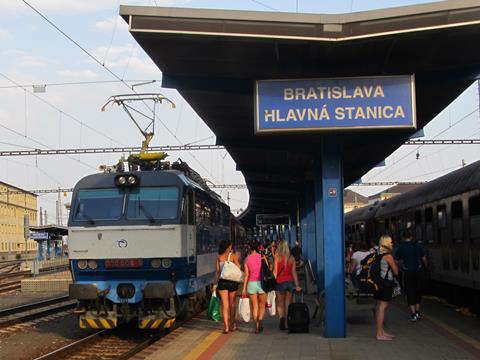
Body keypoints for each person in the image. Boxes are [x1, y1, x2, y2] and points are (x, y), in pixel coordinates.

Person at [395, 229, 428, 321]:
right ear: (411, 237)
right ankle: (418, 312)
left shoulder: (401, 248)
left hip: (407, 273)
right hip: (418, 272)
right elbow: (424, 259)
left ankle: (413, 314)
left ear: (403, 238)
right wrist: (425, 268)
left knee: (410, 292)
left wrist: (399, 269)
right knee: (418, 291)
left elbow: (396, 261)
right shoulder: (418, 246)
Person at [214, 240, 241, 334]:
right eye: (230, 247)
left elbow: (217, 272)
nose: (231, 248)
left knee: (224, 305)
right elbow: (239, 267)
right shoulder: (232, 256)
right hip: (233, 282)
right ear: (228, 247)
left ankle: (226, 327)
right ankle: (232, 325)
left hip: (222, 282)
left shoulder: (219, 257)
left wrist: (214, 285)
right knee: (232, 304)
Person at [375, 235, 399, 341]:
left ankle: (381, 332)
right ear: (387, 243)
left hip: (380, 284)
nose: (392, 243)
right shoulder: (388, 256)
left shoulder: (378, 254)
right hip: (386, 284)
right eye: (391, 242)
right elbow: (396, 271)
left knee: (380, 307)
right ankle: (379, 334)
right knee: (382, 308)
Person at [273, 240, 301, 330]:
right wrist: (297, 285)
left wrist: (272, 283)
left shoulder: (277, 257)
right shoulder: (291, 258)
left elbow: (275, 272)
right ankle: (287, 323)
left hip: (279, 283)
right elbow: (294, 273)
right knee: (288, 304)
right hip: (289, 283)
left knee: (280, 304)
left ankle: (281, 319)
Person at [242, 240, 267, 333]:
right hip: (261, 284)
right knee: (262, 305)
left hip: (251, 285)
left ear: (249, 247)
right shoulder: (262, 257)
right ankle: (260, 319)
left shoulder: (247, 259)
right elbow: (267, 270)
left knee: (255, 306)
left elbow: (246, 275)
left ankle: (257, 327)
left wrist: (244, 288)